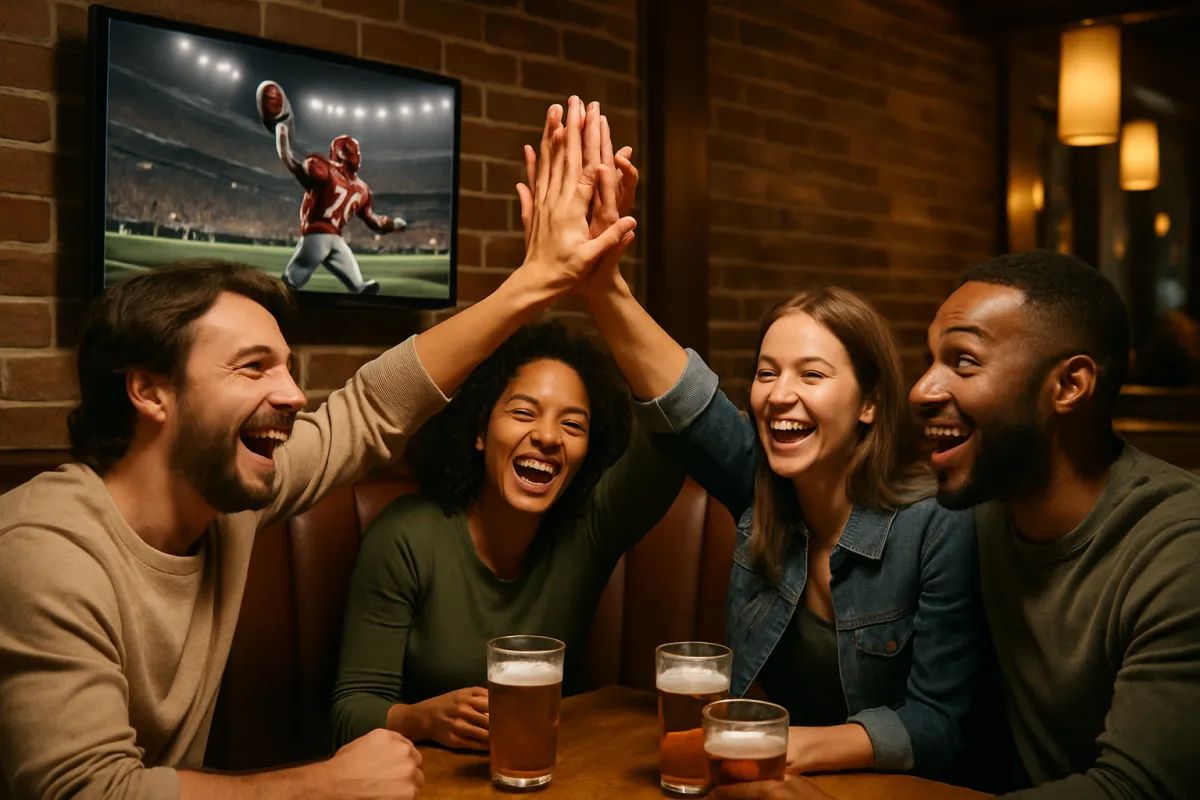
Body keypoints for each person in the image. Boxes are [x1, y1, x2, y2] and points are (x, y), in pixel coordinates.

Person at [0, 96, 630, 800]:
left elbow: (370, 408)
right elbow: (86, 792)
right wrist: (320, 785)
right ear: (150, 391)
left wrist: (535, 283)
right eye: (253, 367)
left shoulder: (224, 499)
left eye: (288, 367)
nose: (296, 396)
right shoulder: (45, 547)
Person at [529, 111, 980, 778]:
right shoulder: (765, 487)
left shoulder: (937, 526)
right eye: (767, 373)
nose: (778, 395)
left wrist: (779, 744)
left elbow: (939, 727)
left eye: (812, 374)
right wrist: (602, 285)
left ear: (870, 402)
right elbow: (689, 401)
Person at [908, 250, 1200, 798]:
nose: (922, 390)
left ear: (1069, 386)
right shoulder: (976, 509)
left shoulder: (1179, 551)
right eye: (930, 360)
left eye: (963, 361)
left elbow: (1132, 790)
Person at [330, 320, 685, 750]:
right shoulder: (406, 536)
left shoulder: (590, 530)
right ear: (480, 431)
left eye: (573, 425)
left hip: (553, 772)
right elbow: (350, 712)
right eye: (523, 413)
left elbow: (673, 422)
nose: (548, 437)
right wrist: (423, 719)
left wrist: (605, 296)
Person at [257, 80, 401, 295]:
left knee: (299, 280)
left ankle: (355, 288)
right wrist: (393, 225)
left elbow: (294, 164)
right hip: (327, 235)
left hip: (324, 235)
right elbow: (375, 221)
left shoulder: (332, 173)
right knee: (313, 274)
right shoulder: (358, 187)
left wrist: (282, 133)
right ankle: (354, 287)